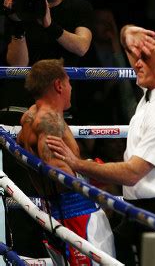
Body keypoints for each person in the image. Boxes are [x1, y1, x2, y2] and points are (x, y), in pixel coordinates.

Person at [46, 25, 155, 264]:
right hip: (136, 212)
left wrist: (77, 164)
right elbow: (133, 49)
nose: (136, 63)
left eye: (145, 58)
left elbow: (132, 174)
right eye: (138, 56)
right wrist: (126, 34)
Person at [16, 58, 115, 265]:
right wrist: (92, 170)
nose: (71, 87)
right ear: (59, 85)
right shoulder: (50, 121)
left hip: (56, 215)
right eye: (69, 82)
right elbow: (59, 174)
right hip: (78, 217)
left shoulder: (29, 117)